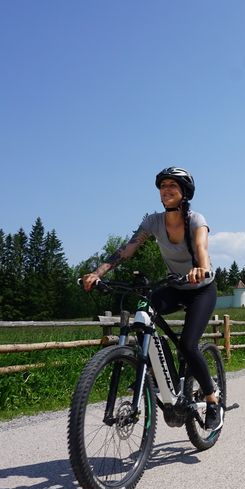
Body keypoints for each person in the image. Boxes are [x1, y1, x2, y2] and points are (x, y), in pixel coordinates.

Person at [81, 167, 223, 431]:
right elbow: (126, 249)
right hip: (175, 286)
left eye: (173, 186)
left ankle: (212, 399)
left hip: (201, 288)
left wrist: (199, 268)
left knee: (189, 346)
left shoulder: (195, 220)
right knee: (142, 310)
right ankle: (162, 378)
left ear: (184, 193)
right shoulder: (152, 222)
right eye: (163, 186)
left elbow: (201, 248)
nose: (166, 190)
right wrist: (98, 272)